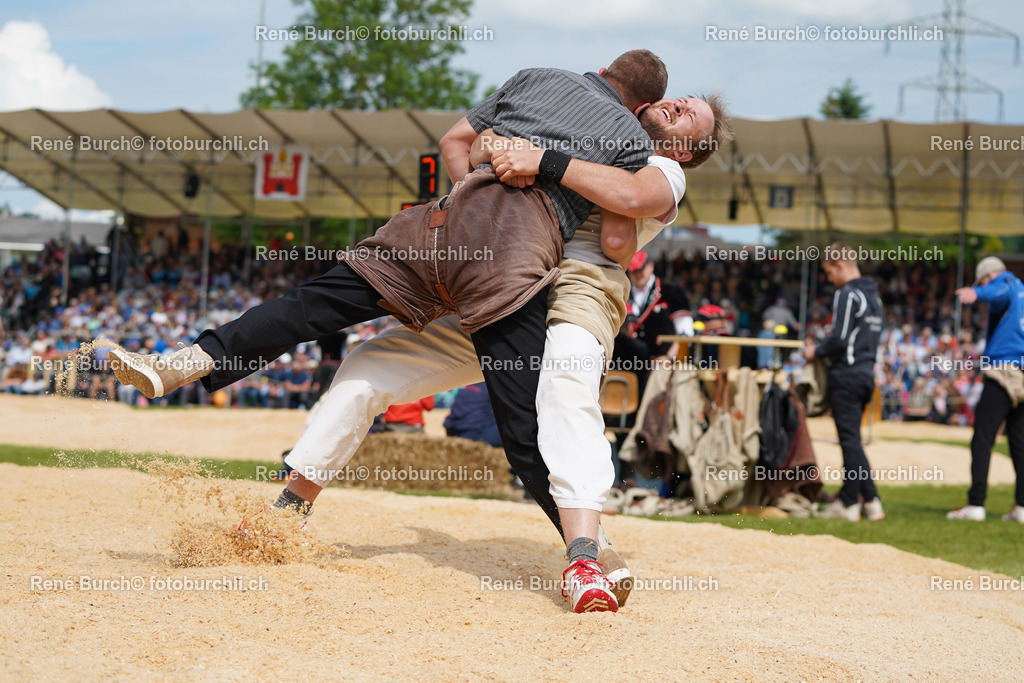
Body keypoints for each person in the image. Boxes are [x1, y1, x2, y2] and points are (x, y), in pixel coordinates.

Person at [803, 242, 884, 522]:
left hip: (846, 375)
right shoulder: (874, 297)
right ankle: (871, 502)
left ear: (839, 265)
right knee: (854, 441)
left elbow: (839, 339)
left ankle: (849, 503)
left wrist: (815, 351)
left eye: (828, 271)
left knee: (849, 441)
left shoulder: (847, 294)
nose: (828, 279)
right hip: (865, 374)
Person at [947, 256, 1024, 522]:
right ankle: (1022, 508)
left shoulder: (1006, 283)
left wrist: (976, 292)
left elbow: (999, 289)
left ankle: (976, 504)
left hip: (1004, 371)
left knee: (982, 437)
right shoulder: (1022, 293)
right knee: (1019, 442)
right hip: (1022, 373)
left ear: (988, 275)